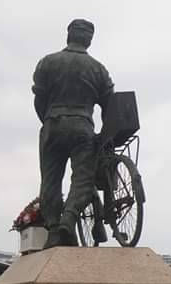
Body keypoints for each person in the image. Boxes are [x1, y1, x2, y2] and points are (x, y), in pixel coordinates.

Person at [32, 19, 115, 248]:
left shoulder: (48, 62)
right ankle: (68, 219)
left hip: (52, 124)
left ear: (68, 35)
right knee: (83, 179)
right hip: (82, 126)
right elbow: (110, 106)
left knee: (50, 181)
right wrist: (101, 133)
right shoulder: (98, 69)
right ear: (89, 39)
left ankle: (53, 229)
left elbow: (39, 99)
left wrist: (48, 120)